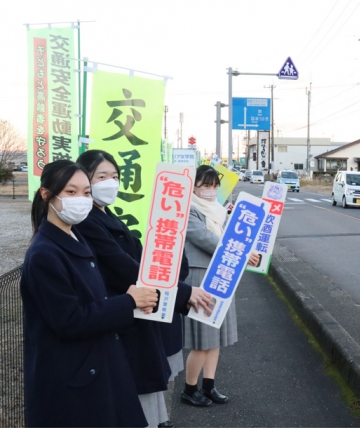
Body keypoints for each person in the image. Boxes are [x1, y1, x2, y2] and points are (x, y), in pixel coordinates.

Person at [75, 149, 213, 427]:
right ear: (85, 180)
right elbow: (124, 267)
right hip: (126, 313)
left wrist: (174, 270)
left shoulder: (107, 215)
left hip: (141, 308)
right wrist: (183, 293)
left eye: (114, 176)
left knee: (143, 386)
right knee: (134, 389)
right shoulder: (88, 221)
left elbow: (144, 258)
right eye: (101, 176)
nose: (110, 182)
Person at [20, 160, 158, 428]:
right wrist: (128, 302)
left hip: (96, 363)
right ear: (47, 194)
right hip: (74, 374)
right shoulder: (44, 254)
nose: (80, 200)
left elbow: (93, 299)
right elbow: (69, 320)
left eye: (85, 193)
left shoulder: (73, 236)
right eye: (71, 192)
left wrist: (130, 299)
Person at [181, 165, 260, 407]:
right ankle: (189, 389)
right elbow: (206, 240)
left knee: (214, 340)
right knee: (202, 340)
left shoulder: (219, 211)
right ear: (193, 187)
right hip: (199, 277)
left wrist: (249, 252)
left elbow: (231, 239)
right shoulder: (187, 210)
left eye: (214, 185)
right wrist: (241, 252)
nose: (211, 190)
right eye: (205, 185)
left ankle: (208, 386)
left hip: (223, 276)